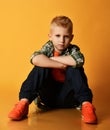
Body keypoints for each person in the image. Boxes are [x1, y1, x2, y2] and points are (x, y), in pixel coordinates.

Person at [8, 16, 97, 124]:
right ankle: (23, 103)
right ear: (50, 37)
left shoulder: (73, 50)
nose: (62, 40)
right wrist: (59, 65)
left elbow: (79, 60)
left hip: (70, 97)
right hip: (49, 97)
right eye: (58, 36)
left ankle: (86, 105)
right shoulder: (48, 48)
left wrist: (51, 60)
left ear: (71, 38)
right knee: (41, 67)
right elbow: (35, 58)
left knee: (76, 68)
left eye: (66, 36)